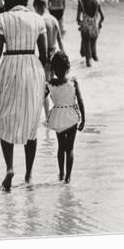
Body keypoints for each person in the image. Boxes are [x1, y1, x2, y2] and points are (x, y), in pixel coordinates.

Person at [0, 0, 47, 191]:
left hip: (10, 65)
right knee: (31, 121)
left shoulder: (3, 19)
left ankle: (9, 168)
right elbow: (44, 56)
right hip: (33, 69)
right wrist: (45, 81)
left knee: (5, 117)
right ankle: (29, 174)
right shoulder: (38, 19)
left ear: (8, 2)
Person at [46, 51, 85, 183]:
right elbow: (80, 100)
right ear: (68, 67)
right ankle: (68, 177)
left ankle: (61, 173)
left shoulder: (50, 84)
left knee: (61, 147)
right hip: (71, 117)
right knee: (70, 148)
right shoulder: (73, 82)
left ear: (54, 69)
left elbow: (39, 98)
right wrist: (83, 119)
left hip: (58, 117)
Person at [33, 0, 64, 118]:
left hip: (45, 57)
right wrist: (64, 58)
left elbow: (39, 43)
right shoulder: (54, 19)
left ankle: (47, 117)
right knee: (54, 86)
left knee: (44, 88)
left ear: (37, 6)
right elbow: (60, 43)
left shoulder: (40, 20)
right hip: (55, 55)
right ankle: (58, 111)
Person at [77, 0, 104, 67]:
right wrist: (99, 24)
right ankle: (98, 72)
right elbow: (102, 17)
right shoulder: (97, 0)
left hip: (86, 30)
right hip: (95, 29)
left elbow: (78, 19)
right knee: (94, 55)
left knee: (88, 57)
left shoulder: (81, 1)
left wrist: (81, 25)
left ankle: (89, 77)